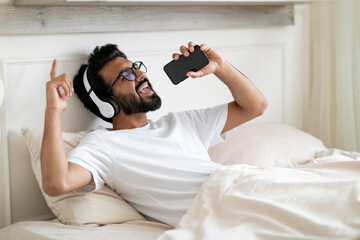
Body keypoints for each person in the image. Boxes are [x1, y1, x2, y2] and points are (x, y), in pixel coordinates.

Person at [41, 41, 268, 227]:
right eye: (126, 75)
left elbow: (255, 106)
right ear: (106, 104)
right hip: (222, 210)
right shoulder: (103, 145)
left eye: (136, 67)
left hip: (250, 185)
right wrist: (54, 110)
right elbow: (56, 183)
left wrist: (221, 67)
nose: (140, 75)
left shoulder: (182, 123)